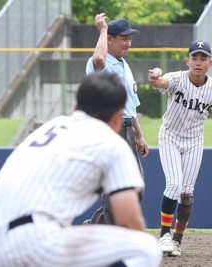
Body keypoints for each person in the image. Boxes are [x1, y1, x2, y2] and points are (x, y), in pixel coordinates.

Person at [0, 73, 162, 267]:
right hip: (32, 242)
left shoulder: (51, 127)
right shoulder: (112, 143)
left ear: (75, 106)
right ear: (119, 117)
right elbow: (129, 223)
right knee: (145, 248)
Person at [148, 40, 212, 257]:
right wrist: (155, 79)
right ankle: (164, 235)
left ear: (210, 62)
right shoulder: (177, 78)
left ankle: (177, 241)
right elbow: (162, 83)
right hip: (170, 136)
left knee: (187, 192)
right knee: (174, 184)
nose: (198, 62)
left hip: (194, 140)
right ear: (187, 61)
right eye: (194, 58)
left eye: (203, 58)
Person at [84, 14, 149, 225]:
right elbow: (99, 59)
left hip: (127, 128)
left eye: (130, 39)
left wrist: (139, 135)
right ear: (110, 39)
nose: (128, 43)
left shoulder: (124, 65)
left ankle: (96, 226)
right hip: (110, 128)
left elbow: (132, 105)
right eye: (123, 38)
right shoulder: (100, 62)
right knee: (117, 184)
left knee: (135, 187)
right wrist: (102, 30)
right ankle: (111, 234)